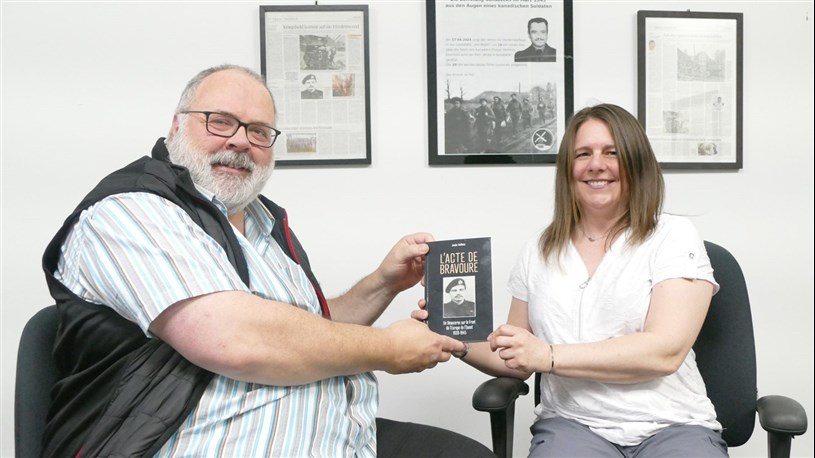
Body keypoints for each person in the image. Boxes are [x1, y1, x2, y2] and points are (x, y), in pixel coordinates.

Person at [41, 64, 495, 458]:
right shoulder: (130, 210)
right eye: (221, 122)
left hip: (336, 435)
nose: (241, 141)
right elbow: (233, 338)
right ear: (176, 126)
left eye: (259, 131)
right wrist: (390, 349)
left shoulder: (261, 220)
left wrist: (383, 282)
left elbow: (309, 329)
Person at [416, 104, 727, 457]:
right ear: (568, 168)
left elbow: (664, 352)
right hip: (574, 425)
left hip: (672, 424)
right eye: (583, 154)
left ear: (636, 161)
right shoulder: (540, 248)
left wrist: (549, 356)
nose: (597, 164)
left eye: (612, 152)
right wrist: (450, 335)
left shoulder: (673, 235)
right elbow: (512, 355)